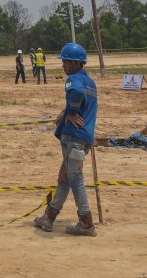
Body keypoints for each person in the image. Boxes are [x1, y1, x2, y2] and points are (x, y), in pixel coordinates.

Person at [33, 42, 99, 237]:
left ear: (74, 63)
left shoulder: (73, 81)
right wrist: (65, 112)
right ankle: (49, 217)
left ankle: (86, 223)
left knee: (75, 177)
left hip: (75, 137)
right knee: (66, 177)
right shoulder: (90, 82)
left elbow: (76, 94)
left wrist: (70, 112)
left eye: (64, 62)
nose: (62, 66)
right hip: (83, 137)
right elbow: (85, 103)